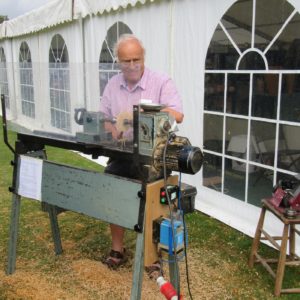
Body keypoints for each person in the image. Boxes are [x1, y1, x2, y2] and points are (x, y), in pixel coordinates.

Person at [100, 34, 184, 269]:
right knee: (113, 192)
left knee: (150, 203)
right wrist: (112, 129)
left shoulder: (161, 81)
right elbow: (104, 117)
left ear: (143, 57)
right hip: (123, 151)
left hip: (153, 155)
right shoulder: (112, 84)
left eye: (136, 59)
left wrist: (151, 111)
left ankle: (150, 256)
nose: (132, 65)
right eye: (126, 61)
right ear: (118, 61)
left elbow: (178, 114)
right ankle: (118, 248)